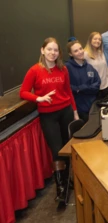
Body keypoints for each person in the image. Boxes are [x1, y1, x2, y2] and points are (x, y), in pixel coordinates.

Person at [20, 37, 79, 202]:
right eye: (49, 49)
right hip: (48, 115)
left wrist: (74, 111)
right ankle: (61, 188)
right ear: (42, 50)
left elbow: (68, 91)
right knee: (56, 150)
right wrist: (39, 98)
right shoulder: (34, 70)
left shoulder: (63, 69)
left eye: (55, 50)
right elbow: (23, 92)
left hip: (65, 112)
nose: (52, 53)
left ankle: (67, 181)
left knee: (67, 148)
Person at [65, 39, 101, 122]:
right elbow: (67, 88)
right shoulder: (67, 68)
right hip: (79, 110)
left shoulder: (89, 67)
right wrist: (86, 88)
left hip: (92, 107)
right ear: (71, 54)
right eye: (76, 51)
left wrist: (80, 89)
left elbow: (97, 84)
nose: (80, 52)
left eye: (81, 49)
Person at [84, 32, 108, 99]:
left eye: (99, 39)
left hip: (105, 87)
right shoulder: (85, 54)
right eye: (95, 39)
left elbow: (106, 70)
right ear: (90, 40)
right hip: (94, 89)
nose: (97, 41)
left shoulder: (100, 53)